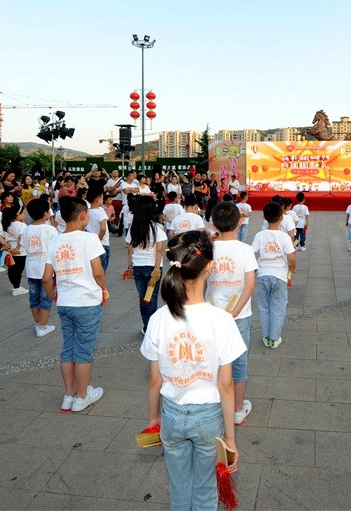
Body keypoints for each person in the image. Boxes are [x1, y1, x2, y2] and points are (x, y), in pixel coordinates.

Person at [140, 230, 244, 510]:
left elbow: (154, 380)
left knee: (179, 487)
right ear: (209, 267)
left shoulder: (159, 318)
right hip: (209, 417)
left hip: (171, 414)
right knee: (205, 490)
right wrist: (231, 438)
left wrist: (154, 421)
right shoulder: (222, 320)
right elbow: (225, 385)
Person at [43, 196, 108, 413]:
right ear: (83, 216)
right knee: (84, 351)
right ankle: (82, 396)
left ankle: (68, 395)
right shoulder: (89, 239)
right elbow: (98, 271)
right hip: (87, 302)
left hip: (65, 302)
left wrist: (54, 295)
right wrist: (104, 288)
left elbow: (46, 277)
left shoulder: (54, 241)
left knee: (68, 348)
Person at [207, 202, 258, 426]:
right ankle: (237, 409)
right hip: (240, 316)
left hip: (211, 315)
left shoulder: (209, 249)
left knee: (212, 359)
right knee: (238, 362)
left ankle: (214, 403)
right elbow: (249, 285)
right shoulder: (245, 250)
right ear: (240, 221)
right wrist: (235, 312)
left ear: (213, 223)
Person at [251, 202, 296, 348]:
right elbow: (291, 256)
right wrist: (292, 266)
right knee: (278, 308)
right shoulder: (284, 237)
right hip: (279, 276)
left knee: (264, 307)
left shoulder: (260, 235)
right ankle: (274, 338)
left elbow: (252, 253)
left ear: (264, 217)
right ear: (282, 217)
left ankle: (266, 336)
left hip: (263, 275)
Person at [127, 195, 167, 335]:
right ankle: (151, 329)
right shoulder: (157, 227)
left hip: (138, 266)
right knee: (151, 299)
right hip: (152, 267)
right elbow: (160, 250)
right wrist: (156, 269)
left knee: (142, 298)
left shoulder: (134, 226)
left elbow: (130, 248)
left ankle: (146, 327)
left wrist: (130, 267)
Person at [22, 198, 59, 338]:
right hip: (46, 269)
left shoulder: (27, 230)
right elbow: (55, 249)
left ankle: (39, 324)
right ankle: (42, 326)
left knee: (34, 297)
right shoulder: (50, 230)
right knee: (46, 297)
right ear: (45, 213)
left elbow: (26, 248)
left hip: (31, 269)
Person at [1, 205, 29, 297]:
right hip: (20, 251)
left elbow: (2, 236)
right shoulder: (22, 225)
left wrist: (7, 245)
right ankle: (17, 288)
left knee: (12, 269)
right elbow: (21, 236)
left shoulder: (8, 224)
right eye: (23, 213)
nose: (24, 215)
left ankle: (15, 286)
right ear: (17, 215)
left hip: (10, 251)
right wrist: (18, 247)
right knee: (18, 270)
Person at [85, 188, 111, 272]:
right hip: (102, 243)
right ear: (97, 199)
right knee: (102, 270)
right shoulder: (100, 212)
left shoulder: (87, 212)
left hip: (90, 243)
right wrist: (98, 240)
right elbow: (103, 228)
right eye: (102, 198)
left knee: (93, 269)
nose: (103, 200)